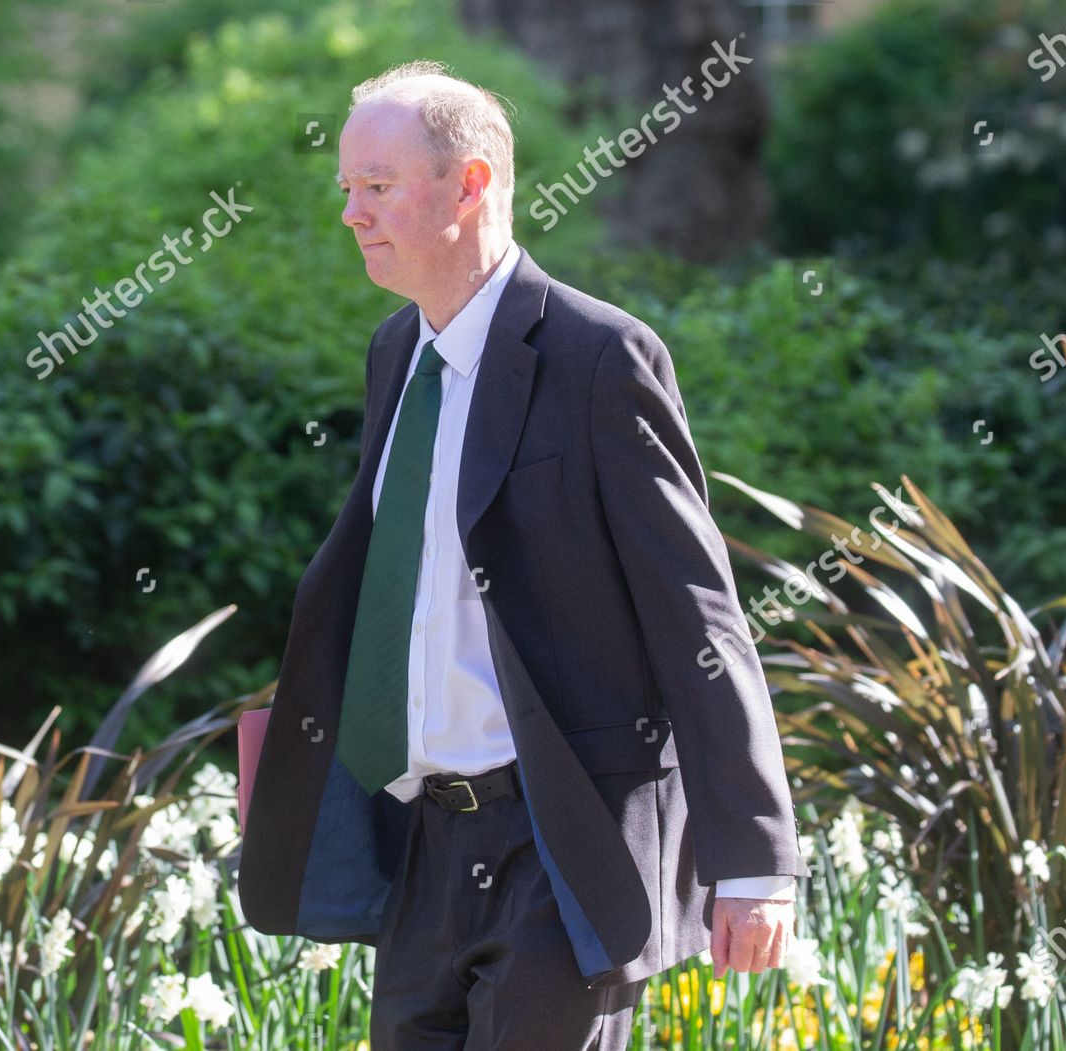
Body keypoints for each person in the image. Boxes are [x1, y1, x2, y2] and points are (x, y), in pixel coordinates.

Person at [237, 59, 807, 1051]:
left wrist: (753, 860)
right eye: (347, 190)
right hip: (420, 842)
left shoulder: (599, 357)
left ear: (471, 183)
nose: (352, 215)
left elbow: (697, 612)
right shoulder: (393, 355)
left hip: (561, 838)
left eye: (376, 186)